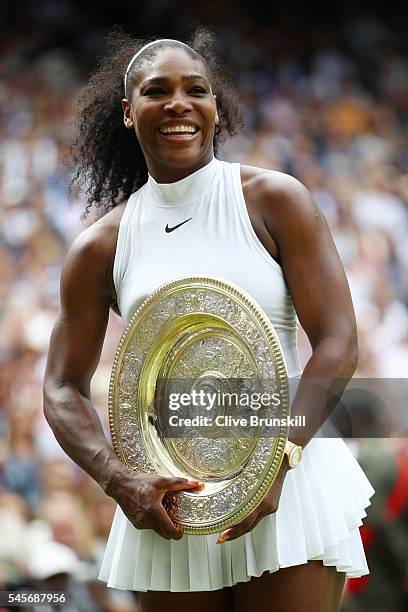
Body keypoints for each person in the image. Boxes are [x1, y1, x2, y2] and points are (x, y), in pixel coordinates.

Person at [43, 27, 374, 612]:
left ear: (215, 106)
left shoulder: (275, 200)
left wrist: (278, 459)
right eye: (156, 91)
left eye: (196, 89)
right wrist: (120, 482)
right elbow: (60, 386)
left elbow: (339, 342)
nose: (178, 103)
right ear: (127, 111)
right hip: (168, 501)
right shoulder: (100, 247)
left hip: (287, 479)